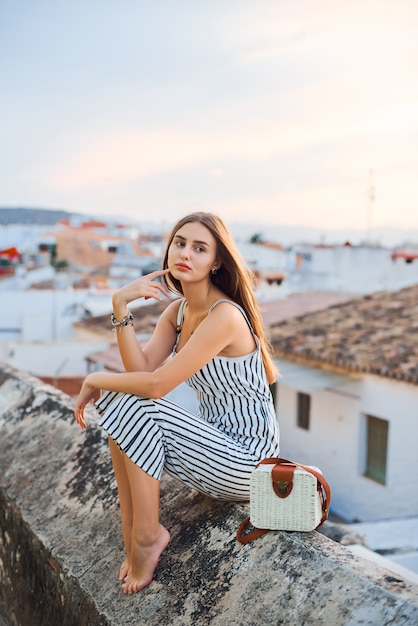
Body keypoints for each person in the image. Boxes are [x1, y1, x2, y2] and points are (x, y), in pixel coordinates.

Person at [74, 211, 280, 595]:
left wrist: (94, 379)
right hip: (210, 446)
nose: (185, 253)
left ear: (216, 262)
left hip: (247, 459)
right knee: (123, 403)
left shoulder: (226, 317)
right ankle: (134, 532)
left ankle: (148, 537)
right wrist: (121, 305)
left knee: (127, 398)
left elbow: (153, 387)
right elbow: (141, 371)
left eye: (200, 248)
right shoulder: (179, 311)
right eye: (180, 243)